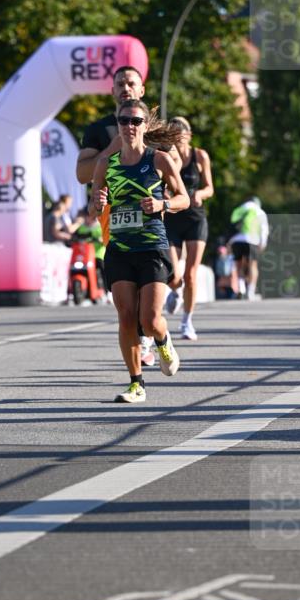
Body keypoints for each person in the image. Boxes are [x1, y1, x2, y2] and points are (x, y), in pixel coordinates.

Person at [77, 65, 182, 368]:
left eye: (131, 83)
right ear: (112, 91)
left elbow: (174, 168)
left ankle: (151, 334)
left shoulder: (151, 129)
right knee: (127, 308)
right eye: (120, 83)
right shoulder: (100, 130)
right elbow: (82, 174)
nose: (125, 88)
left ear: (142, 89)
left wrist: (160, 194)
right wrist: (114, 148)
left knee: (151, 309)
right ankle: (138, 369)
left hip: (150, 225)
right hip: (113, 225)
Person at [90, 99, 189, 404]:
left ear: (145, 126)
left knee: (149, 319)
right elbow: (95, 208)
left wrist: (162, 204)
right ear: (118, 126)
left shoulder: (159, 160)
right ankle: (136, 384)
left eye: (135, 121)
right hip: (119, 248)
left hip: (152, 247)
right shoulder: (106, 164)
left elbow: (184, 198)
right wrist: (98, 203)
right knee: (126, 316)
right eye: (124, 121)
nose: (129, 126)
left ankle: (163, 340)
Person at [163, 116, 214, 340]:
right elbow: (160, 184)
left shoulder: (200, 156)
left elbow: (210, 187)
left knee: (191, 274)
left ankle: (187, 321)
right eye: (174, 136)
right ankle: (175, 291)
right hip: (173, 219)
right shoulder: (166, 157)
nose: (178, 140)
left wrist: (200, 194)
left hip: (195, 219)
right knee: (173, 275)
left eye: (181, 135)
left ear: (189, 135)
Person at [229, 195, 269, 301]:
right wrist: (262, 244)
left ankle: (241, 288)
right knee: (253, 265)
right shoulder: (260, 211)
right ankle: (251, 292)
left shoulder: (239, 209)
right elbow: (264, 230)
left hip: (236, 240)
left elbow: (231, 224)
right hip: (252, 240)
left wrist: (229, 242)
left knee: (239, 264)